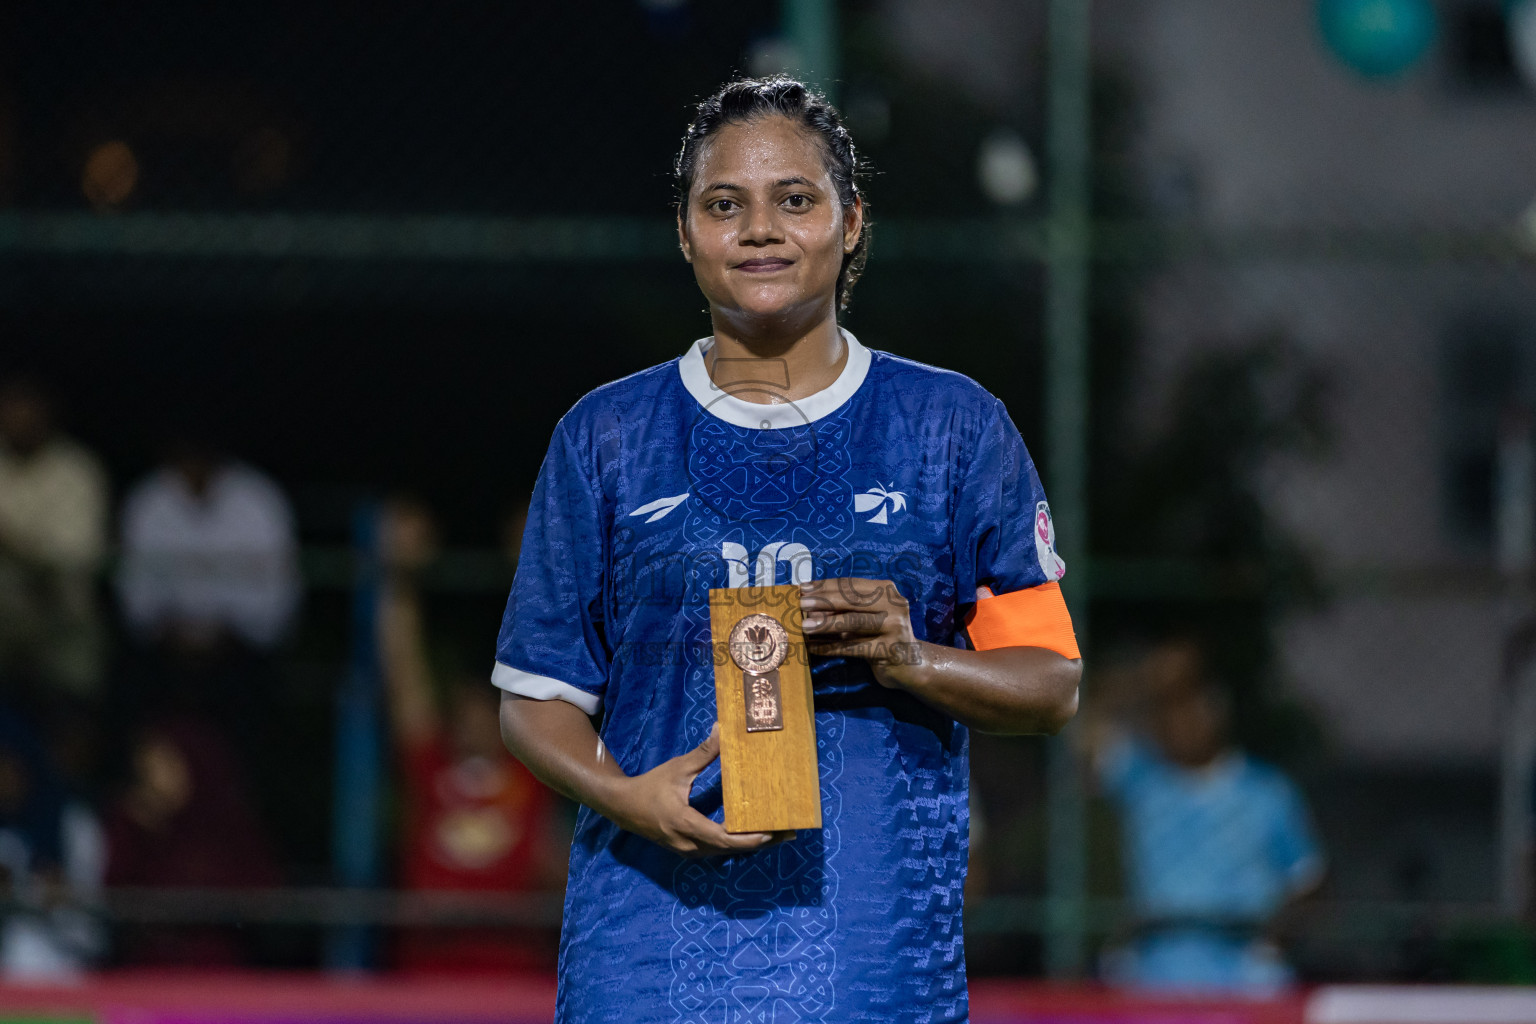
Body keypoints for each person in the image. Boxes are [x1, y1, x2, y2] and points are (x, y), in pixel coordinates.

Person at [494, 77, 1082, 1023]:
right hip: (646, 953)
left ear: (852, 223)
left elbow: (1052, 681)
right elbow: (535, 695)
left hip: (873, 955)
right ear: (686, 233)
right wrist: (626, 794)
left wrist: (913, 659)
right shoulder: (606, 436)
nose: (759, 228)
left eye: (795, 200)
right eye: (724, 205)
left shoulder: (952, 428)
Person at [376, 501, 564, 973]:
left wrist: (540, 565)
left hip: (513, 987)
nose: (469, 719)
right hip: (426, 986)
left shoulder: (536, 768)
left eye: (481, 706)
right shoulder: (430, 767)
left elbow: (554, 662)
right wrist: (399, 579)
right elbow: (404, 673)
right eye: (460, 708)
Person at [1087, 640, 1324, 994]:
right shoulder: (1139, 779)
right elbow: (1078, 717)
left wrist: (1269, 949)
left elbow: (1310, 883)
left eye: (1188, 705)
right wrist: (1144, 677)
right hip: (1154, 968)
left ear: (1216, 709)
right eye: (1166, 708)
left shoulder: (1267, 792)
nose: (1177, 721)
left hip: (1241, 971)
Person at [104, 716, 280, 966]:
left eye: (165, 766)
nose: (154, 780)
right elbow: (114, 893)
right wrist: (133, 829)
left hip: (216, 974)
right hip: (148, 973)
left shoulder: (228, 827)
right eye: (147, 769)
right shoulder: (135, 824)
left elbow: (262, 897)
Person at [0, 377, 109, 708]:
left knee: (72, 699)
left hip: (61, 614)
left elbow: (76, 555)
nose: (18, 418)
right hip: (4, 614)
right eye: (10, 409)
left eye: (27, 409)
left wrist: (11, 541)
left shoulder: (78, 470)